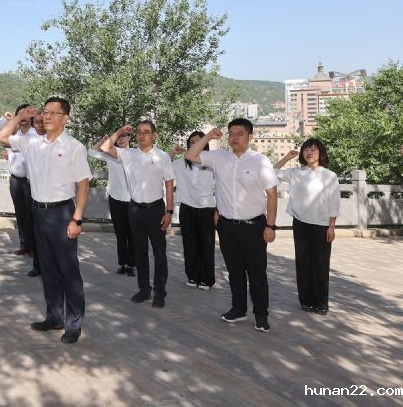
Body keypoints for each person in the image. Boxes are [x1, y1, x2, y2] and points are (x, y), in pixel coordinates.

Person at [0, 98, 92, 344]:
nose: (47, 116)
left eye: (54, 113)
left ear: (65, 118)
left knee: (68, 270)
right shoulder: (32, 143)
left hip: (62, 214)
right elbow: (1, 136)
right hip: (37, 211)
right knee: (48, 269)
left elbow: (83, 185)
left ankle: (74, 324)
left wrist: (77, 219)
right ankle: (54, 317)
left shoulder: (74, 147)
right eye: (45, 112)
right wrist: (20, 117)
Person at [186, 118, 279, 333]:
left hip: (254, 226)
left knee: (257, 273)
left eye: (240, 134)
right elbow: (190, 155)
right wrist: (209, 136)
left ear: (250, 137)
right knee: (234, 271)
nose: (234, 138)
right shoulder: (219, 157)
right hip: (227, 226)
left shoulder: (260, 161)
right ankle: (238, 309)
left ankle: (261, 315)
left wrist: (271, 226)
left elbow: (272, 194)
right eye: (231, 133)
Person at [100, 121, 174, 308]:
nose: (142, 135)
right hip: (135, 210)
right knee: (140, 252)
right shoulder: (129, 154)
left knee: (159, 253)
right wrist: (120, 130)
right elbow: (105, 147)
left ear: (154, 135)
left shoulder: (162, 156)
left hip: (156, 210)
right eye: (139, 132)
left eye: (146, 132)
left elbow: (169, 185)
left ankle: (160, 292)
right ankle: (144, 289)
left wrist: (169, 211)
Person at [274, 138, 340, 315]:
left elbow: (334, 203)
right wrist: (287, 157)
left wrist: (331, 226)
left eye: (313, 150)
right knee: (303, 264)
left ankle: (321, 303)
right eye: (306, 150)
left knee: (320, 265)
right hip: (300, 224)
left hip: (321, 226)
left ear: (320, 153)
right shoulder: (295, 172)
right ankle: (306, 301)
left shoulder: (329, 176)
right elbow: (273, 173)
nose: (309, 153)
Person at [0, 104, 42, 277]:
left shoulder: (36, 134)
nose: (25, 117)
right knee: (20, 214)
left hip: (31, 181)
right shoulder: (13, 133)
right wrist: (5, 119)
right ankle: (24, 244)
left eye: (28, 114)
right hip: (15, 179)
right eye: (22, 114)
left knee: (32, 215)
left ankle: (34, 247)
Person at [170, 132, 217, 290]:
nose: (195, 144)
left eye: (199, 141)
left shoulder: (213, 162)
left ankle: (207, 278)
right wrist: (173, 153)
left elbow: (221, 187)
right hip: (187, 207)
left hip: (207, 208)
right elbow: (163, 168)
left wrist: (218, 210)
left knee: (207, 245)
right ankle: (192, 276)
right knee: (189, 244)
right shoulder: (180, 163)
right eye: (192, 142)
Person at [88, 133, 135, 277]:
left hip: (134, 199)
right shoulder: (110, 154)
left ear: (129, 138)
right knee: (120, 233)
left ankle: (131, 265)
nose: (121, 139)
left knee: (133, 234)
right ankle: (123, 264)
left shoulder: (136, 153)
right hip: (116, 198)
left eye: (124, 137)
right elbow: (91, 153)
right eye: (119, 137)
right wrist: (103, 140)